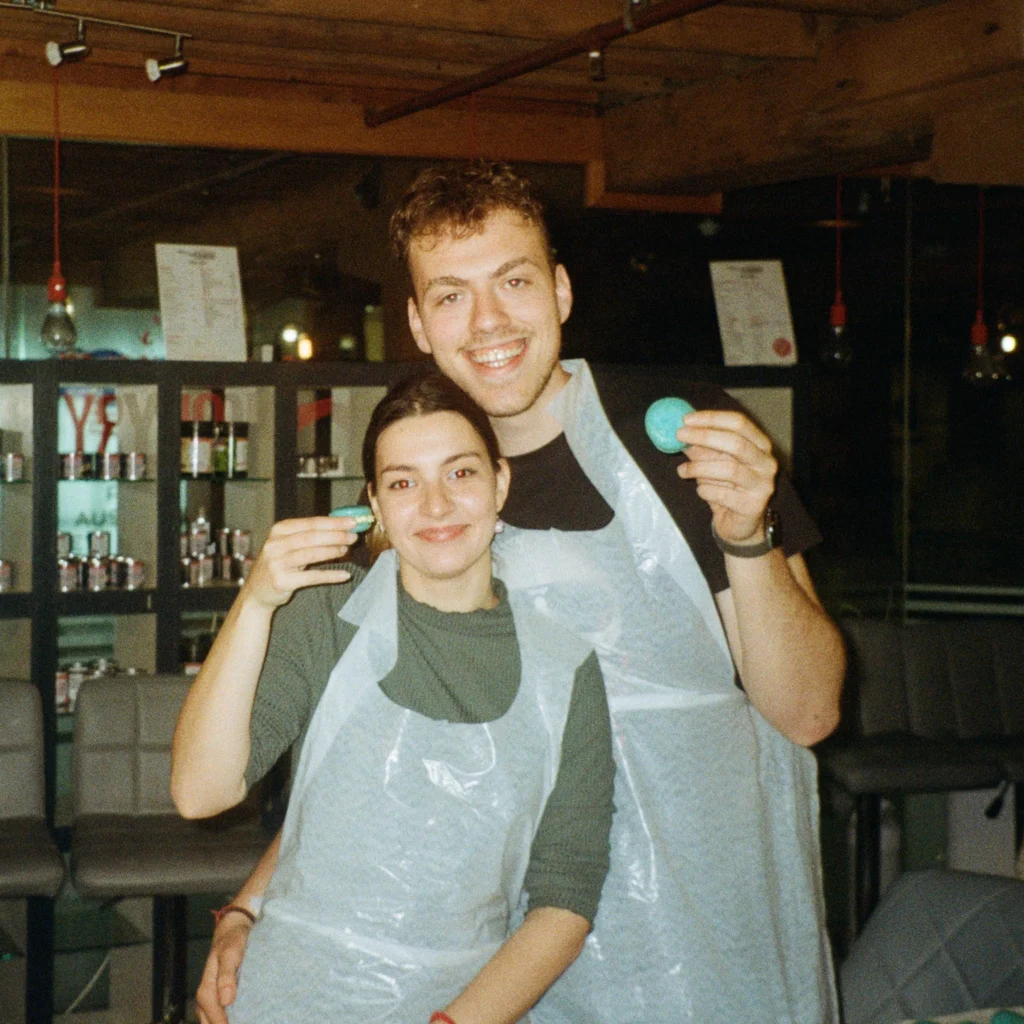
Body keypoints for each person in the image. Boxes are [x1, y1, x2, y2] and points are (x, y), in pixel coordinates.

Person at [195, 162, 848, 1024]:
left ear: (562, 290)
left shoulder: (683, 438)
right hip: (500, 959)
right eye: (453, 295)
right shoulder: (421, 507)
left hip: (705, 933)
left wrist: (746, 534)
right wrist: (250, 910)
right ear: (420, 324)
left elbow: (806, 713)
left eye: (514, 280)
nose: (491, 320)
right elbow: (375, 761)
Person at [171, 371, 615, 1024]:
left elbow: (565, 898)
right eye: (404, 482)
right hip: (283, 995)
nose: (435, 507)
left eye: (460, 474)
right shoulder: (327, 612)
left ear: (501, 484)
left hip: (459, 1005)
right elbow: (200, 792)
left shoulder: (565, 667)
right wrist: (256, 601)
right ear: (375, 504)